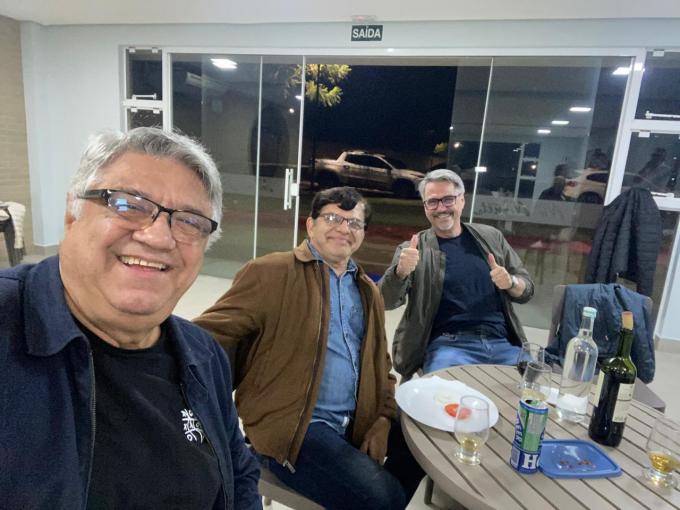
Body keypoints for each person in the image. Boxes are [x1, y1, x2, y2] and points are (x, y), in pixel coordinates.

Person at [0, 127, 261, 509]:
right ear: (72, 214)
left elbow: (239, 473)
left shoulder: (204, 356)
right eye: (128, 204)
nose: (158, 237)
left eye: (189, 221)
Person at [194, 187, 424, 510]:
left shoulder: (367, 291)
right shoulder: (272, 272)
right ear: (310, 225)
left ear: (362, 234)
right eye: (332, 218)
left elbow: (380, 365)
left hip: (356, 420)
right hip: (295, 429)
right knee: (385, 498)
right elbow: (206, 336)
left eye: (354, 223)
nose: (344, 228)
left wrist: (383, 420)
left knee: (423, 447)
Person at [379, 169, 534, 380]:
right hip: (447, 345)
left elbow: (526, 290)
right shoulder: (414, 250)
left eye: (448, 199)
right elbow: (385, 301)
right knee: (443, 396)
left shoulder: (491, 238)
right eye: (432, 202)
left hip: (502, 342)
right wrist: (400, 272)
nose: (441, 208)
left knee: (532, 392)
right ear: (425, 207)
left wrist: (511, 282)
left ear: (462, 201)